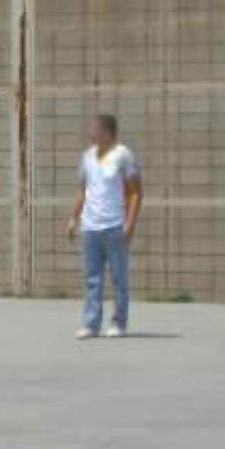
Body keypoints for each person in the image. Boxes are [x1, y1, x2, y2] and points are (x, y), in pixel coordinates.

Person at [68, 113, 143, 339]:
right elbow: (83, 189)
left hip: (114, 227)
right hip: (90, 228)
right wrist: (74, 218)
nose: (90, 133)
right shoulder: (87, 157)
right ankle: (91, 324)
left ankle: (119, 323)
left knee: (119, 278)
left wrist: (130, 223)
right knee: (92, 279)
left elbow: (136, 192)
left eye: (94, 129)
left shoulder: (123, 155)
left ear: (108, 132)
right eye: (90, 129)